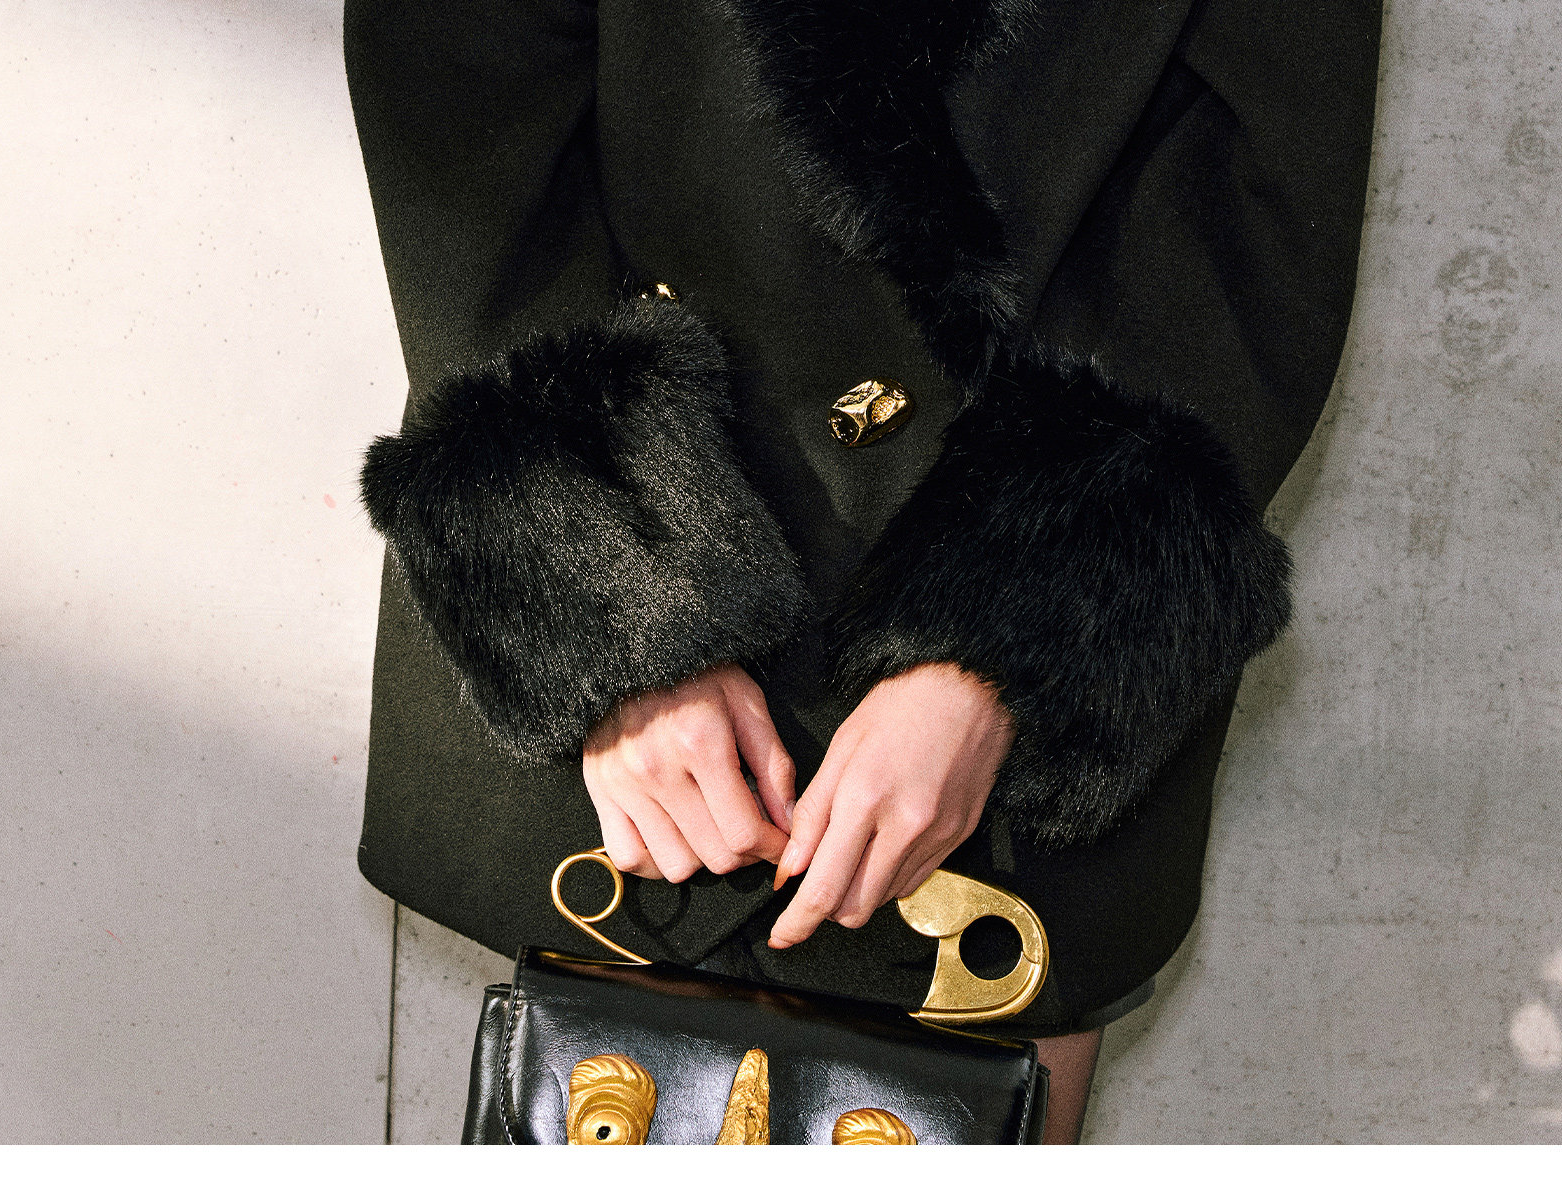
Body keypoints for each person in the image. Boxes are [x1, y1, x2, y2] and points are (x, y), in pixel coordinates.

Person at [345, 0, 1381, 1143]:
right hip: (642, 671)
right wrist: (616, 597)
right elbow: (457, 80)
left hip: (1007, 711)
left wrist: (1004, 643)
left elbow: (1257, 198)